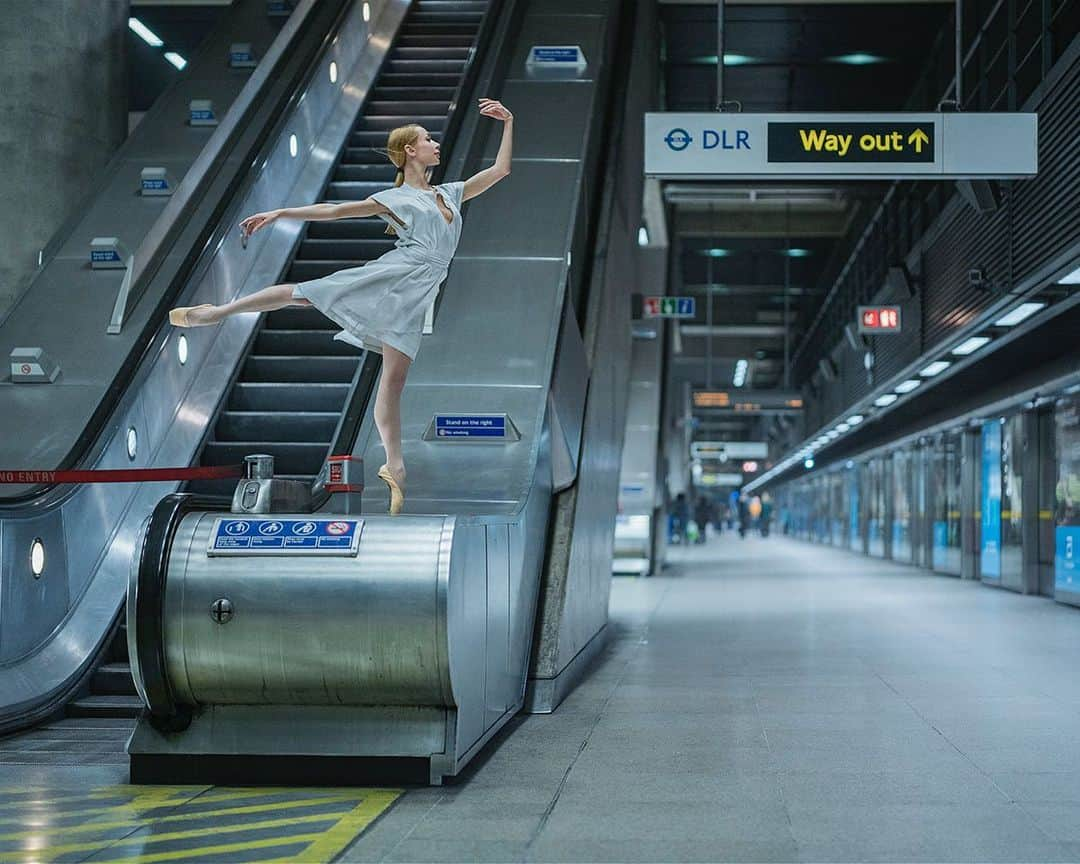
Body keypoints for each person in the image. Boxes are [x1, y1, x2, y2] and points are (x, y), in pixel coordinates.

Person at [168, 99, 515, 515]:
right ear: (409, 150)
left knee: (394, 381)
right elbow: (335, 211)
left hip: (421, 291)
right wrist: (281, 211)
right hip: (395, 275)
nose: (435, 144)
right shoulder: (395, 197)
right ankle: (218, 312)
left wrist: (507, 123)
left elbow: (500, 172)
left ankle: (394, 466)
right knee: (306, 292)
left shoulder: (450, 192)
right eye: (427, 140)